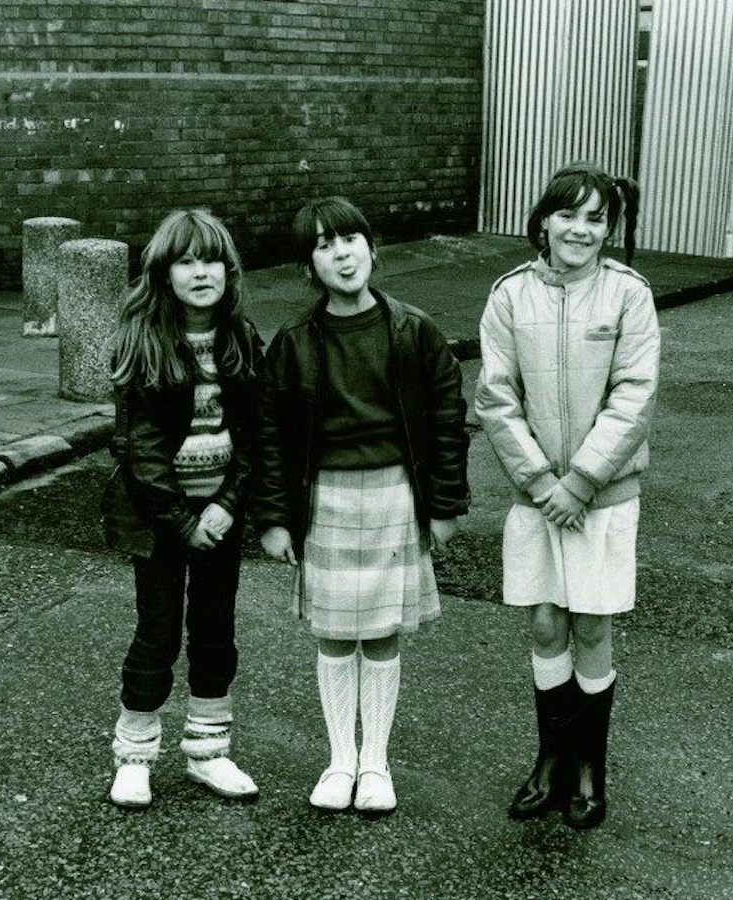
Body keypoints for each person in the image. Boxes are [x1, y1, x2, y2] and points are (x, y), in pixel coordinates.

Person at [255, 196, 470, 815]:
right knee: (332, 635)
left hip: (394, 496)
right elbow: (270, 436)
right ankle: (338, 760)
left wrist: (444, 505)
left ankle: (375, 763)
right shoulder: (294, 343)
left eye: (350, 238)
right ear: (309, 267)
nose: (341, 253)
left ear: (372, 248)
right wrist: (273, 517)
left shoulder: (415, 330)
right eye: (324, 245)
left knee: (380, 635)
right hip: (324, 499)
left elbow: (446, 422)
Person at [475, 163, 660, 829]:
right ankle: (550, 761)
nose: (580, 229)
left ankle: (588, 768)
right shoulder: (509, 295)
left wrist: (580, 481)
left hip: (602, 497)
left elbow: (633, 395)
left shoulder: (628, 296)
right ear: (544, 220)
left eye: (595, 219)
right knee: (547, 621)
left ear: (608, 231)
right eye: (568, 215)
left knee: (590, 622)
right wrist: (540, 482)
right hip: (537, 495)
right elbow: (496, 396)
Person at [100, 208, 264, 809]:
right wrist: (183, 523)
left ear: (230, 269)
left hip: (219, 518)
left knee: (216, 633)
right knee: (158, 632)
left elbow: (253, 434)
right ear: (164, 274)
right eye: (186, 261)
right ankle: (135, 755)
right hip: (160, 521)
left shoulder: (241, 338)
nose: (201, 272)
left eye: (212, 259)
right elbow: (139, 449)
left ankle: (209, 751)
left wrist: (225, 504)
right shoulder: (143, 342)